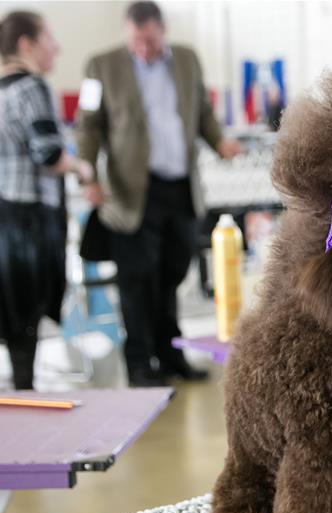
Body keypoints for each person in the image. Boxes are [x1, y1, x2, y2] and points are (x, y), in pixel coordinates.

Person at [76, 1, 240, 387]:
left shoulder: (187, 60)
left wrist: (220, 143)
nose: (143, 49)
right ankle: (138, 362)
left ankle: (169, 355)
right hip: (130, 194)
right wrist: (88, 176)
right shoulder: (99, 66)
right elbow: (88, 127)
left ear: (162, 31)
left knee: (172, 273)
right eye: (136, 41)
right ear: (126, 34)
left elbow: (202, 114)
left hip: (180, 188)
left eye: (149, 41)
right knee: (136, 279)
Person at [0, 11, 94, 390]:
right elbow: (48, 155)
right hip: (22, 219)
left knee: (12, 324)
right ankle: (25, 397)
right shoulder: (32, 86)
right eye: (50, 40)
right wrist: (83, 168)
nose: (57, 48)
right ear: (27, 44)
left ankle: (21, 389)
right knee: (27, 318)